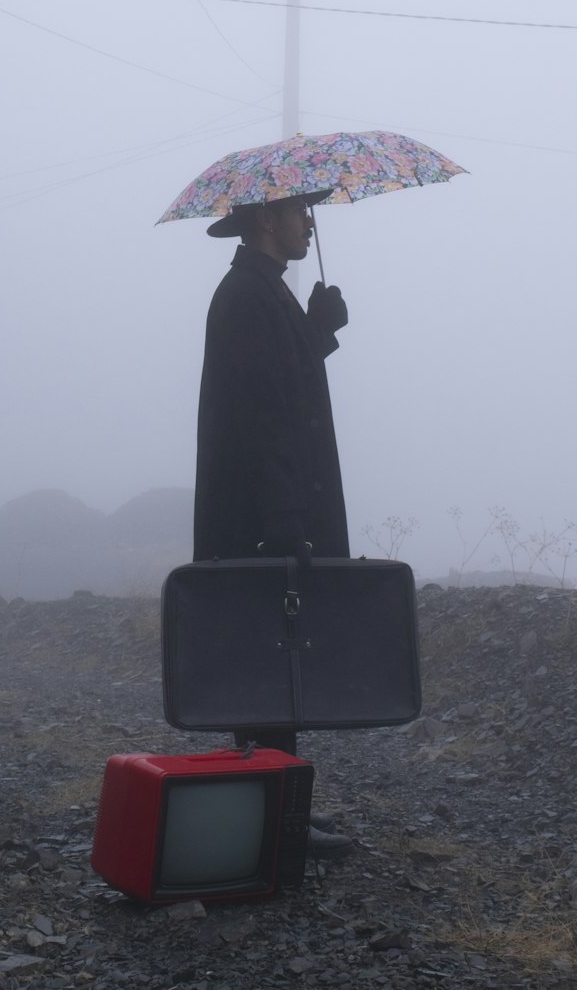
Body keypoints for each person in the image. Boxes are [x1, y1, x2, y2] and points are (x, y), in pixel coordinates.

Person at [194, 191, 355, 854]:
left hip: (270, 503)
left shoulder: (263, 292)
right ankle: (272, 820)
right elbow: (263, 416)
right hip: (263, 509)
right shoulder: (245, 297)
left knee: (280, 653)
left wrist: (320, 330)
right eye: (300, 212)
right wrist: (284, 517)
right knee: (266, 656)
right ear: (268, 220)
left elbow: (281, 381)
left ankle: (281, 803)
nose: (308, 222)